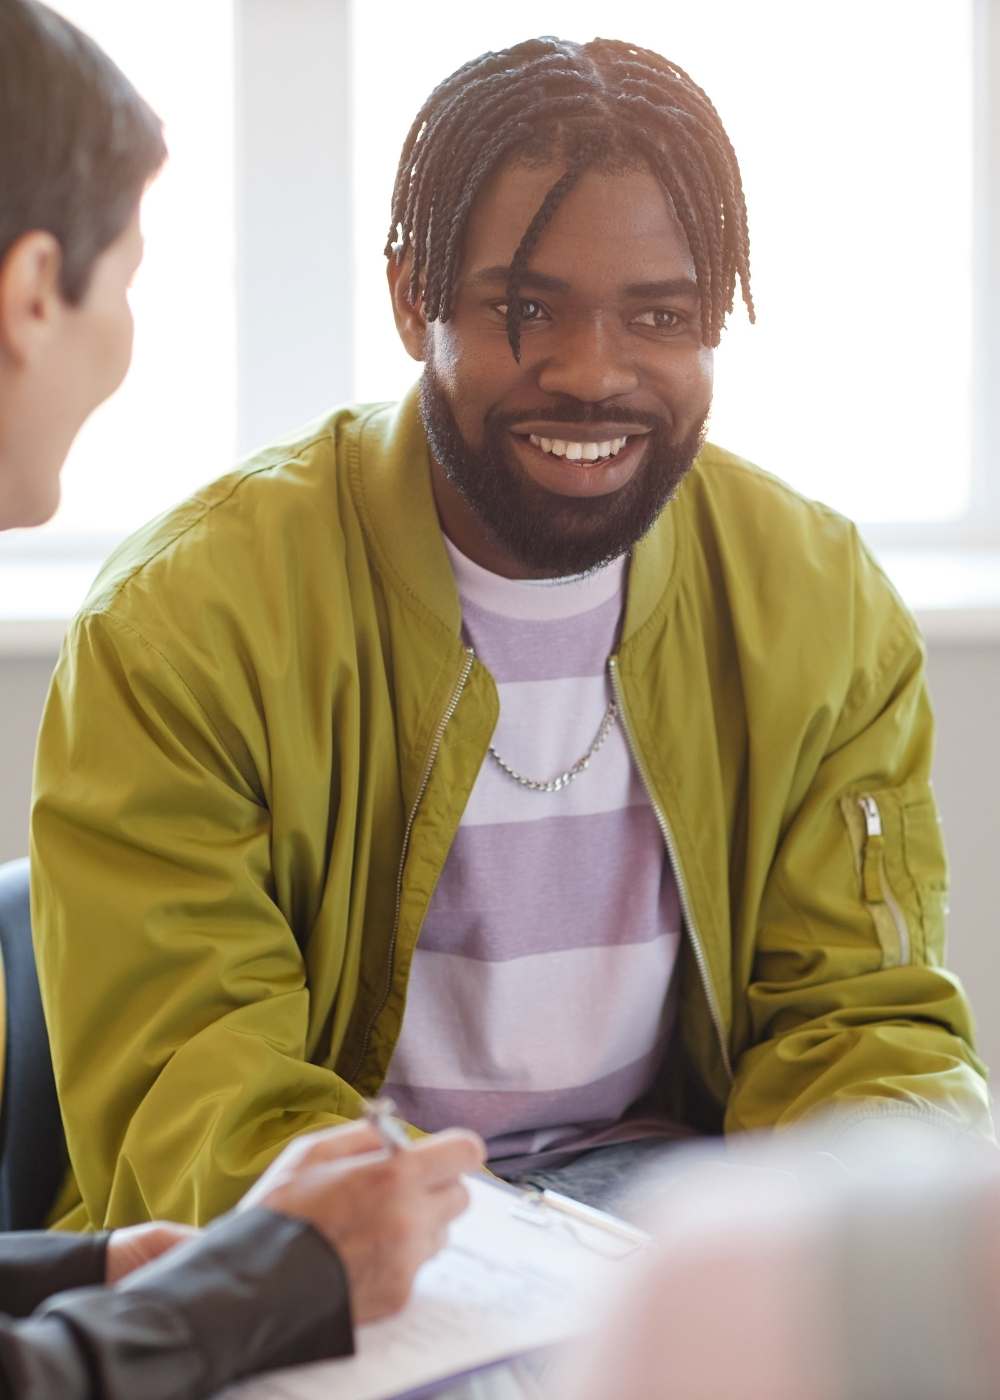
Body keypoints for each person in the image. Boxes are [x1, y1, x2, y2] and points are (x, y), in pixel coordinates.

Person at [30, 34, 992, 1234]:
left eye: (659, 314)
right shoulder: (187, 620)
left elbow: (862, 1024)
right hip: (351, 1244)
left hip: (669, 1222)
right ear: (410, 299)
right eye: (525, 308)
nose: (592, 373)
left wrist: (870, 1241)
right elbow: (200, 1106)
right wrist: (495, 1264)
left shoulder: (818, 599)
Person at [0, 3, 484, 1395]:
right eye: (130, 279)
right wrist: (263, 1281)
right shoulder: (184, 609)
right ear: (34, 291)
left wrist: (85, 1271)